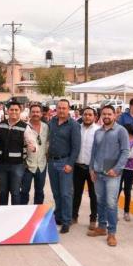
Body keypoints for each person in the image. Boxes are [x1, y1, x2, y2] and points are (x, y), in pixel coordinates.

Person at [87, 105, 130, 247]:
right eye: (104, 114)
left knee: (111, 204)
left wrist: (116, 169)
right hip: (98, 172)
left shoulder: (121, 131)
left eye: (109, 114)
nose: (106, 116)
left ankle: (112, 233)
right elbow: (94, 151)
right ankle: (101, 227)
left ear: (115, 115)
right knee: (100, 201)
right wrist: (91, 169)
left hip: (112, 172)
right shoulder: (98, 131)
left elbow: (125, 152)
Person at [48, 99, 81, 234]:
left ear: (69, 110)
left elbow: (76, 147)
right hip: (52, 162)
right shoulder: (52, 123)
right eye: (59, 108)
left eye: (64, 108)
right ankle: (59, 217)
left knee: (66, 193)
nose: (61, 110)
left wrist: (70, 163)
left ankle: (67, 221)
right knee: (56, 193)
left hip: (65, 162)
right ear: (56, 109)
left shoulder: (73, 125)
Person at [0, 101, 33, 205]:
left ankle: (15, 217)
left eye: (16, 110)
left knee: (15, 192)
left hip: (17, 165)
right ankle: (3, 214)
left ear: (20, 111)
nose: (13, 112)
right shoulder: (1, 124)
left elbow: (32, 142)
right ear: (8, 111)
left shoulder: (25, 127)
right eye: (11, 110)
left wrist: (33, 148)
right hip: (2, 164)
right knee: (3, 192)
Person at [72, 107, 99, 229]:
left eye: (90, 115)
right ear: (82, 116)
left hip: (92, 169)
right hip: (77, 167)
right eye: (85, 114)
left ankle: (93, 219)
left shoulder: (99, 131)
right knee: (76, 193)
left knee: (93, 195)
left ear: (95, 117)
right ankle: (74, 216)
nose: (87, 117)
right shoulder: (77, 129)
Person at [21, 103, 49, 205]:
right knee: (24, 192)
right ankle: (23, 215)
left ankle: (38, 217)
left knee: (39, 192)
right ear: (29, 113)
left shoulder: (46, 127)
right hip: (27, 165)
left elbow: (48, 144)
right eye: (33, 112)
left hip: (41, 165)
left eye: (38, 112)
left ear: (41, 114)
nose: (35, 114)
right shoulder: (24, 127)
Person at [118, 124, 133, 222]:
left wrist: (121, 154)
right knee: (117, 189)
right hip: (119, 167)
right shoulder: (122, 139)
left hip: (130, 169)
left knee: (127, 190)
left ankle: (126, 212)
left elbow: (132, 155)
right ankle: (113, 211)